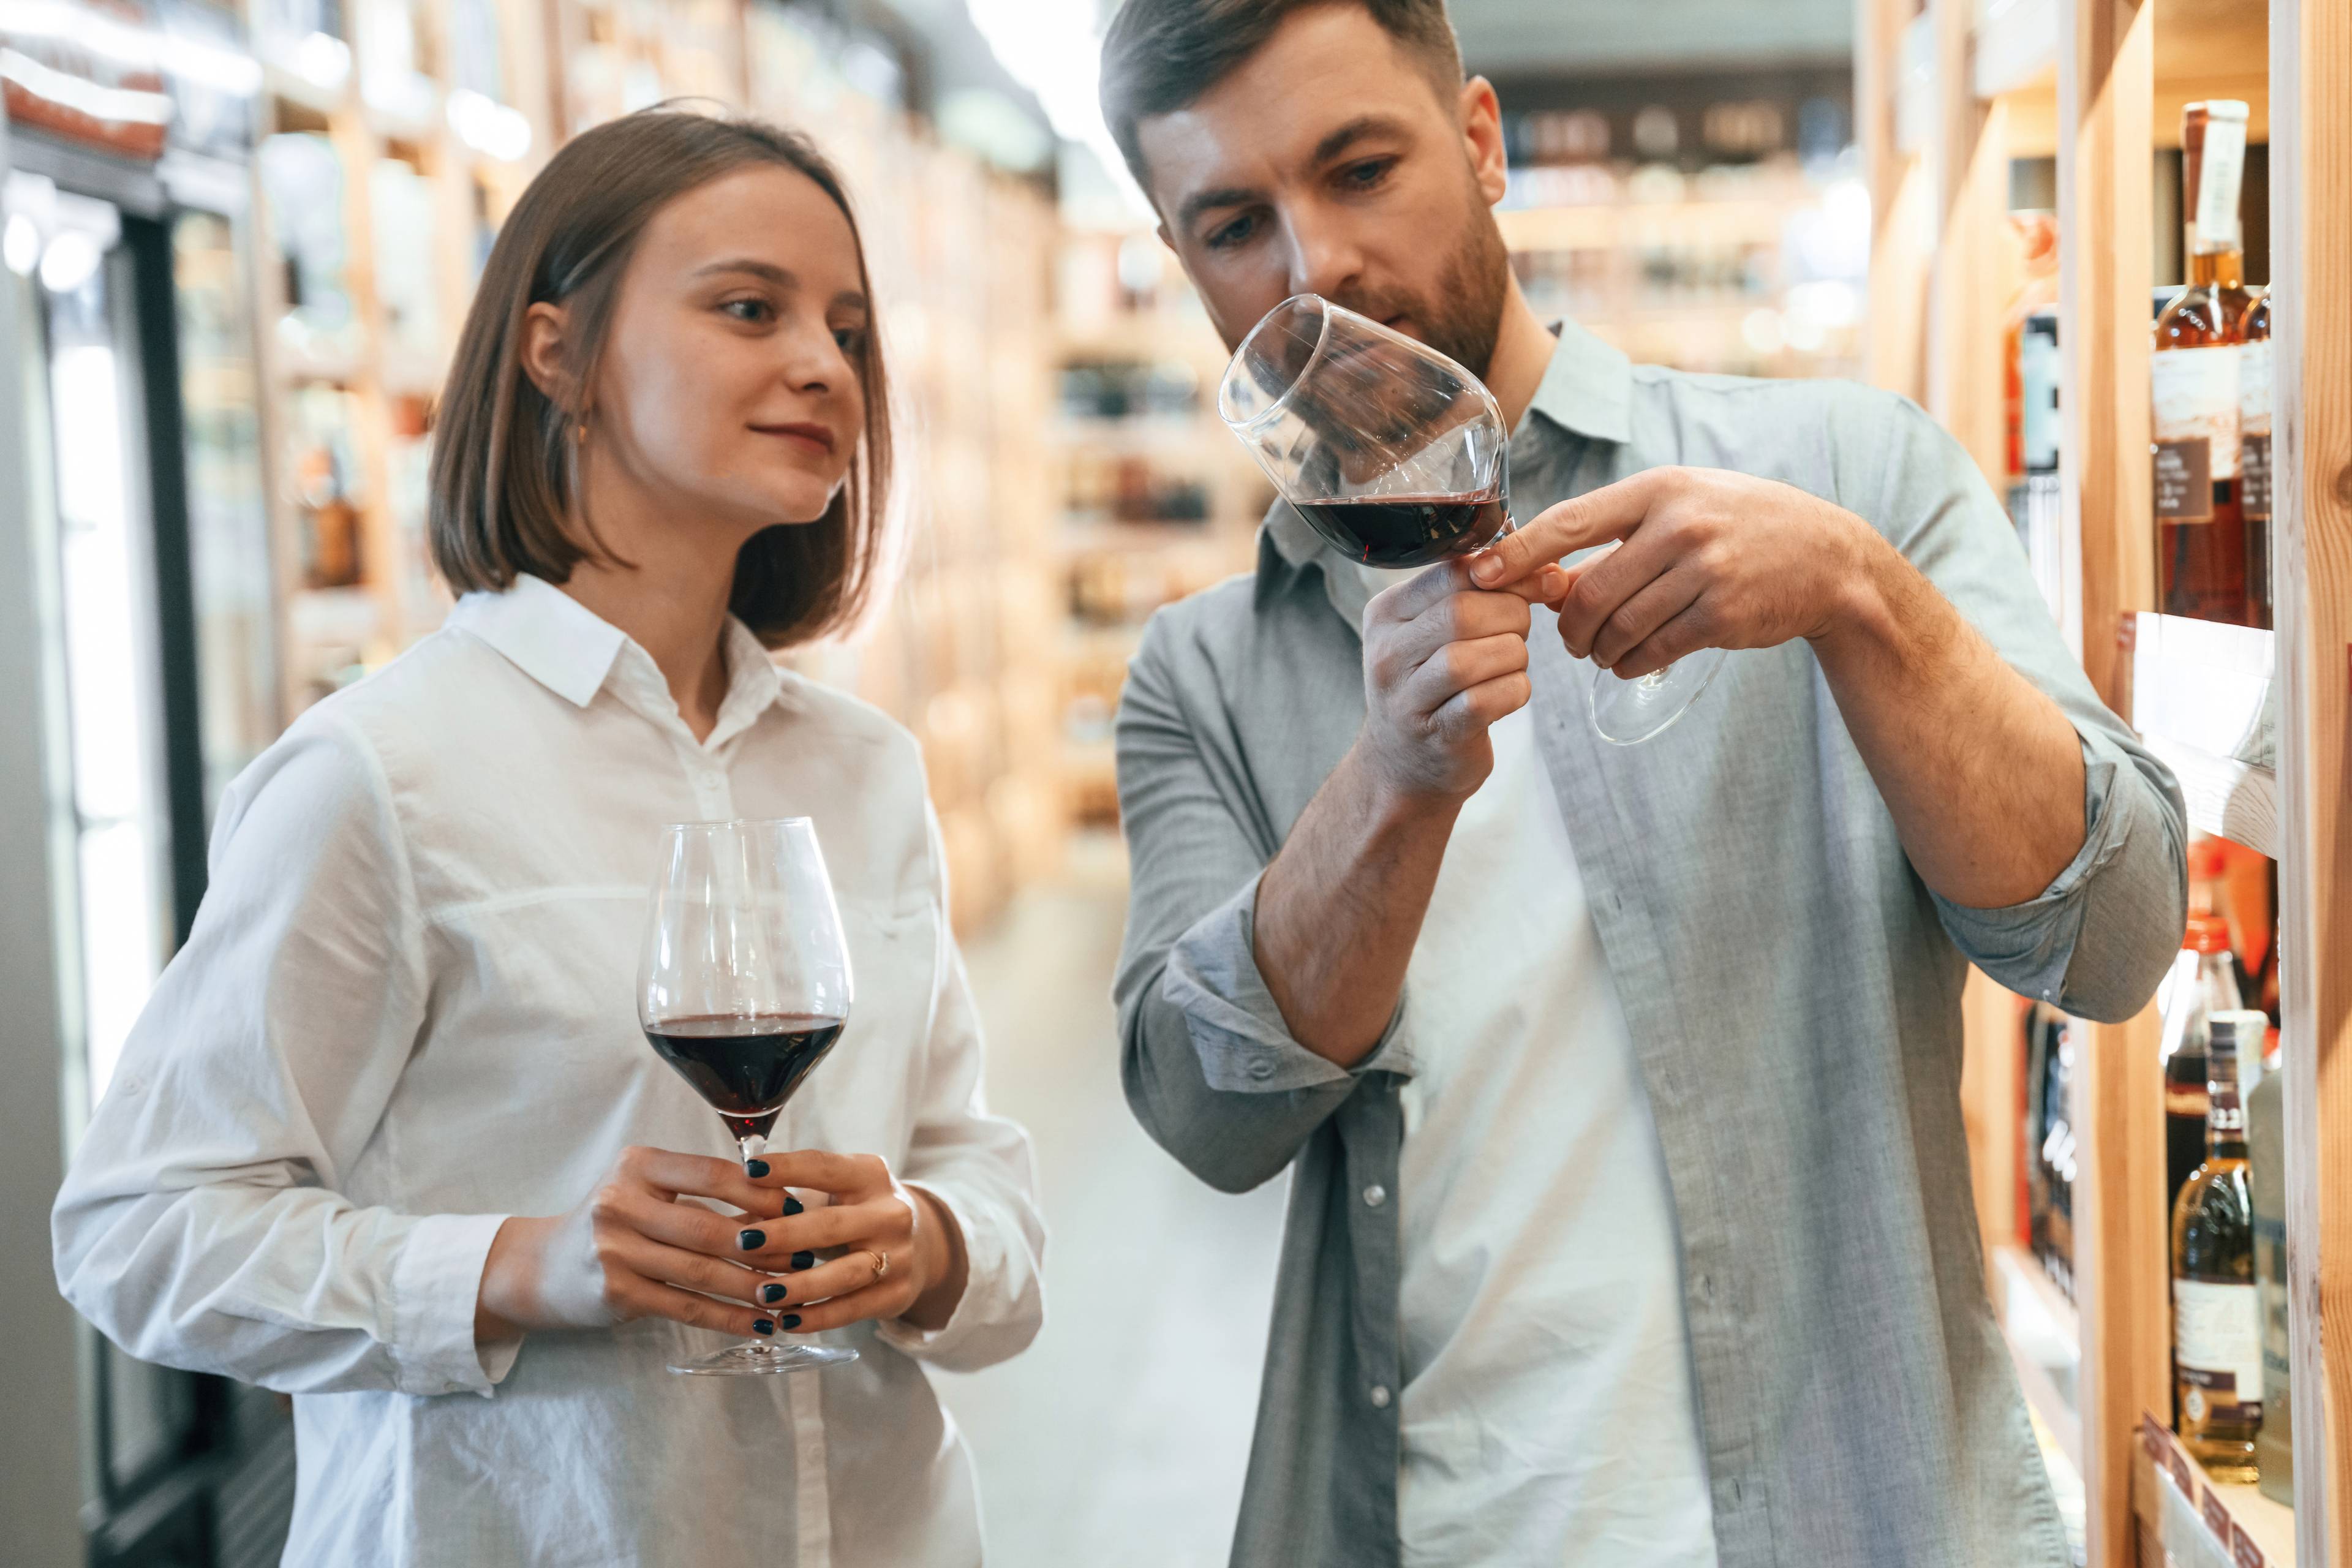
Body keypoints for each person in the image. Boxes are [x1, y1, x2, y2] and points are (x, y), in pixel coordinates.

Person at [1098, 4, 2184, 1566]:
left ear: (1480, 142)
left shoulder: (1840, 478)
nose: (1313, 264)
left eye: (1359, 169)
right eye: (1233, 223)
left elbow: (2120, 933)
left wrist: (1864, 605)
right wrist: (1391, 789)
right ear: (1178, 255)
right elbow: (1204, 1113)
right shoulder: (1203, 669)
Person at [51, 108, 1043, 1567]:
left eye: (848, 329)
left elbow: (980, 1179)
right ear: (555, 354)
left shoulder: (866, 773)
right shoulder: (380, 775)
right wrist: (522, 1265)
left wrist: (927, 1242)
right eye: (747, 308)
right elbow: (141, 1231)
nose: (826, 366)